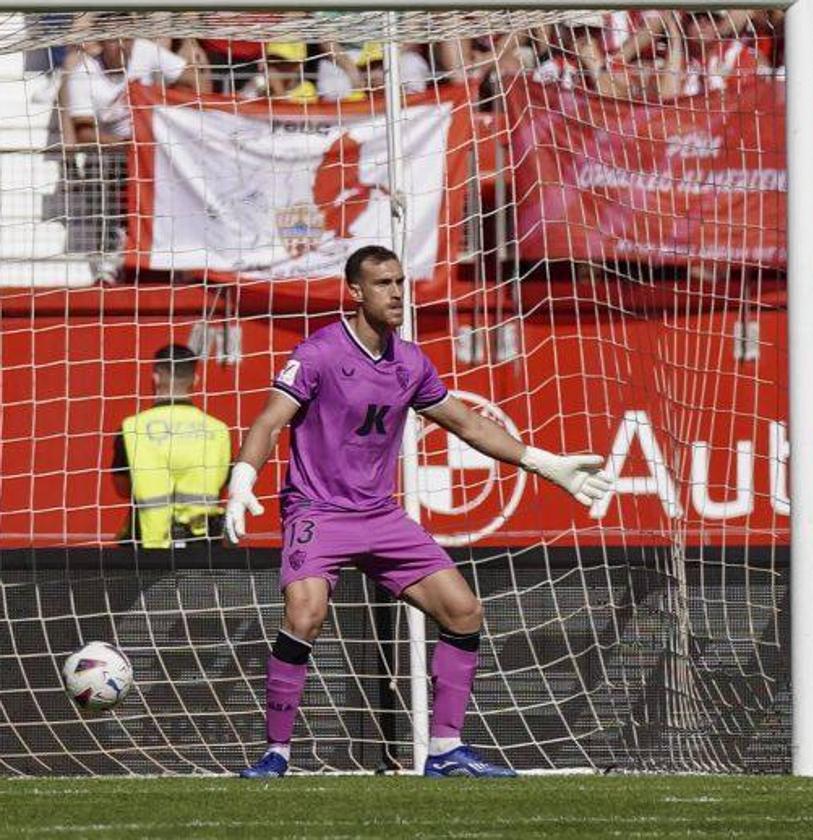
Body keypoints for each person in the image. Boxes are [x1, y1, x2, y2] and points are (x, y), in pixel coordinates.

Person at [228, 245, 613, 779]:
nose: (396, 293)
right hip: (319, 509)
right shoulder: (318, 354)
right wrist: (243, 475)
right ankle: (277, 753)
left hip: (379, 516)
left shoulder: (411, 361)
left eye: (401, 282)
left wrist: (543, 463)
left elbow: (469, 425)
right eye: (383, 283)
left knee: (464, 611)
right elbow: (271, 420)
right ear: (356, 292)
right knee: (305, 613)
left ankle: (446, 750)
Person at [64, 36, 198, 284]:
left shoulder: (146, 52)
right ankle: (107, 263)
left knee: (181, 164)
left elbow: (192, 77)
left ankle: (179, 258)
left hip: (151, 145)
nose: (124, 46)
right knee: (100, 170)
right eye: (116, 41)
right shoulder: (84, 73)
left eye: (128, 39)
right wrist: (129, 146)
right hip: (111, 152)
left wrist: (167, 105)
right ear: (102, 43)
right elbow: (84, 134)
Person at [112, 344, 231, 549]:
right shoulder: (218, 430)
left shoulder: (132, 427)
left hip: (146, 547)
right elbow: (221, 488)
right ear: (195, 380)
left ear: (155, 377)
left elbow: (122, 488)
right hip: (203, 547)